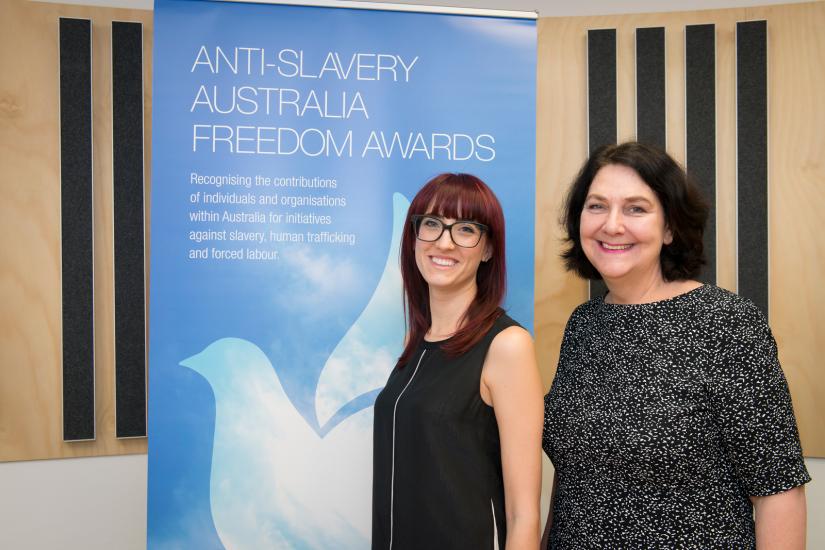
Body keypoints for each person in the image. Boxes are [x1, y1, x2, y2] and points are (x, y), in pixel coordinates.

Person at [541, 141, 810, 549]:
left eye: (636, 208)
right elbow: (573, 480)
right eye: (596, 206)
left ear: (669, 228)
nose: (612, 224)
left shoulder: (725, 323)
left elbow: (778, 490)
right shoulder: (584, 324)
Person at [372, 173, 544, 550]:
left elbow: (523, 515)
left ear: (487, 249)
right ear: (414, 238)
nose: (444, 242)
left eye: (465, 229)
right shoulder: (413, 343)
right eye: (431, 224)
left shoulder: (506, 346)